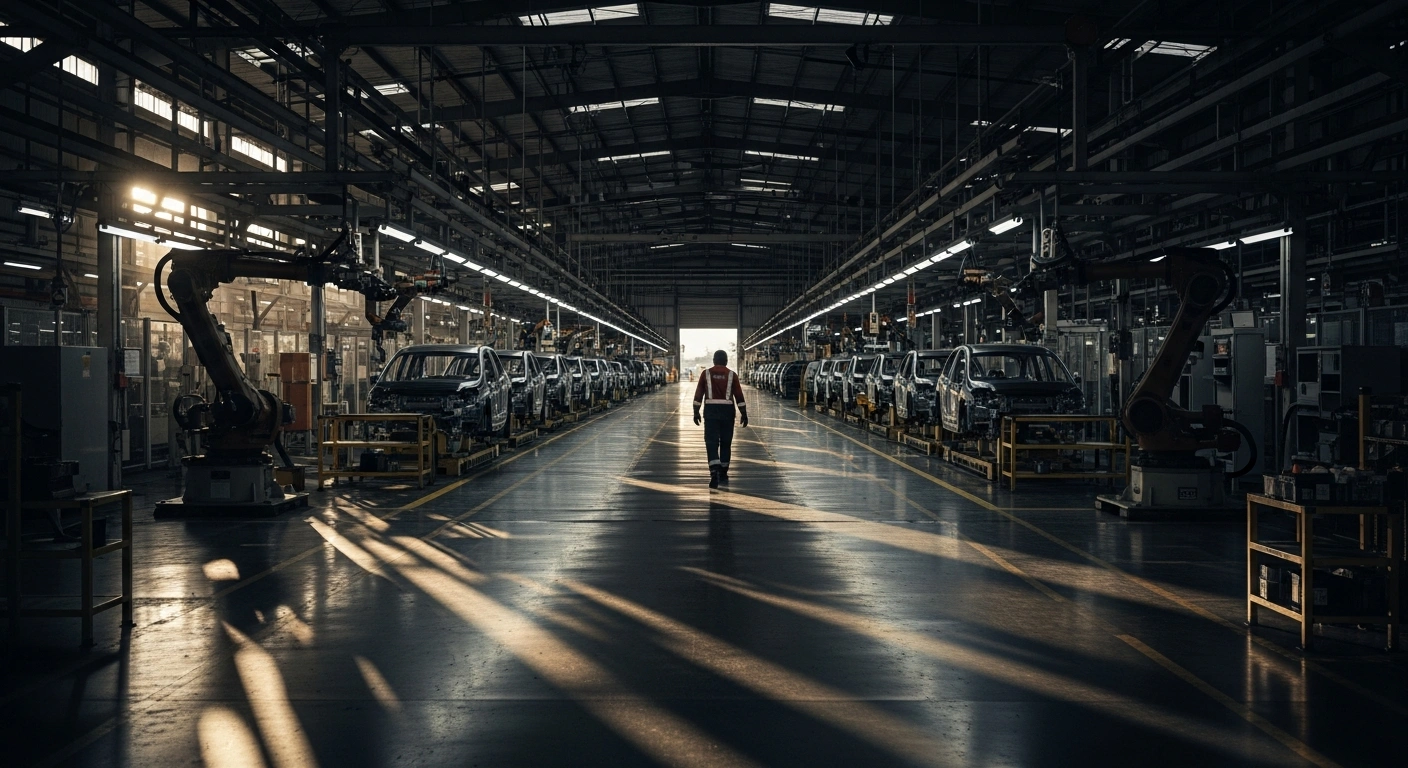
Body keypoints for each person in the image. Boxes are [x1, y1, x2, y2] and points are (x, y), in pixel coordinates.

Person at [693, 349, 747, 489]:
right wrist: (744, 413)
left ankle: (714, 470)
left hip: (711, 412)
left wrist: (696, 411)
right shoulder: (732, 375)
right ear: (726, 361)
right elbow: (739, 396)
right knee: (726, 442)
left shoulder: (706, 374)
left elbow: (699, 393)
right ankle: (723, 472)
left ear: (714, 361)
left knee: (711, 442)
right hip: (727, 412)